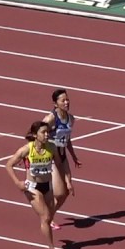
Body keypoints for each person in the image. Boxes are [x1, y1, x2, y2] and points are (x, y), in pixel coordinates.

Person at [4, 121, 64, 249]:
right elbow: (8, 165)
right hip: (32, 187)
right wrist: (17, 182)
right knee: (45, 217)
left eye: (48, 132)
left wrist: (66, 181)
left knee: (49, 216)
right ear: (35, 135)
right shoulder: (26, 150)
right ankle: (52, 248)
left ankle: (50, 239)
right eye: (43, 132)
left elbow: (60, 165)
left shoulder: (52, 147)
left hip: (47, 185)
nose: (46, 135)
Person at [41, 88, 82, 229]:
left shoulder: (71, 119)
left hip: (63, 157)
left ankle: (48, 217)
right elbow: (36, 134)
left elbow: (67, 139)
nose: (66, 102)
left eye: (67, 99)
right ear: (55, 104)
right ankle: (46, 214)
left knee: (67, 192)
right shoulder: (50, 119)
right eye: (62, 100)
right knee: (59, 192)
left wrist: (74, 156)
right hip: (50, 158)